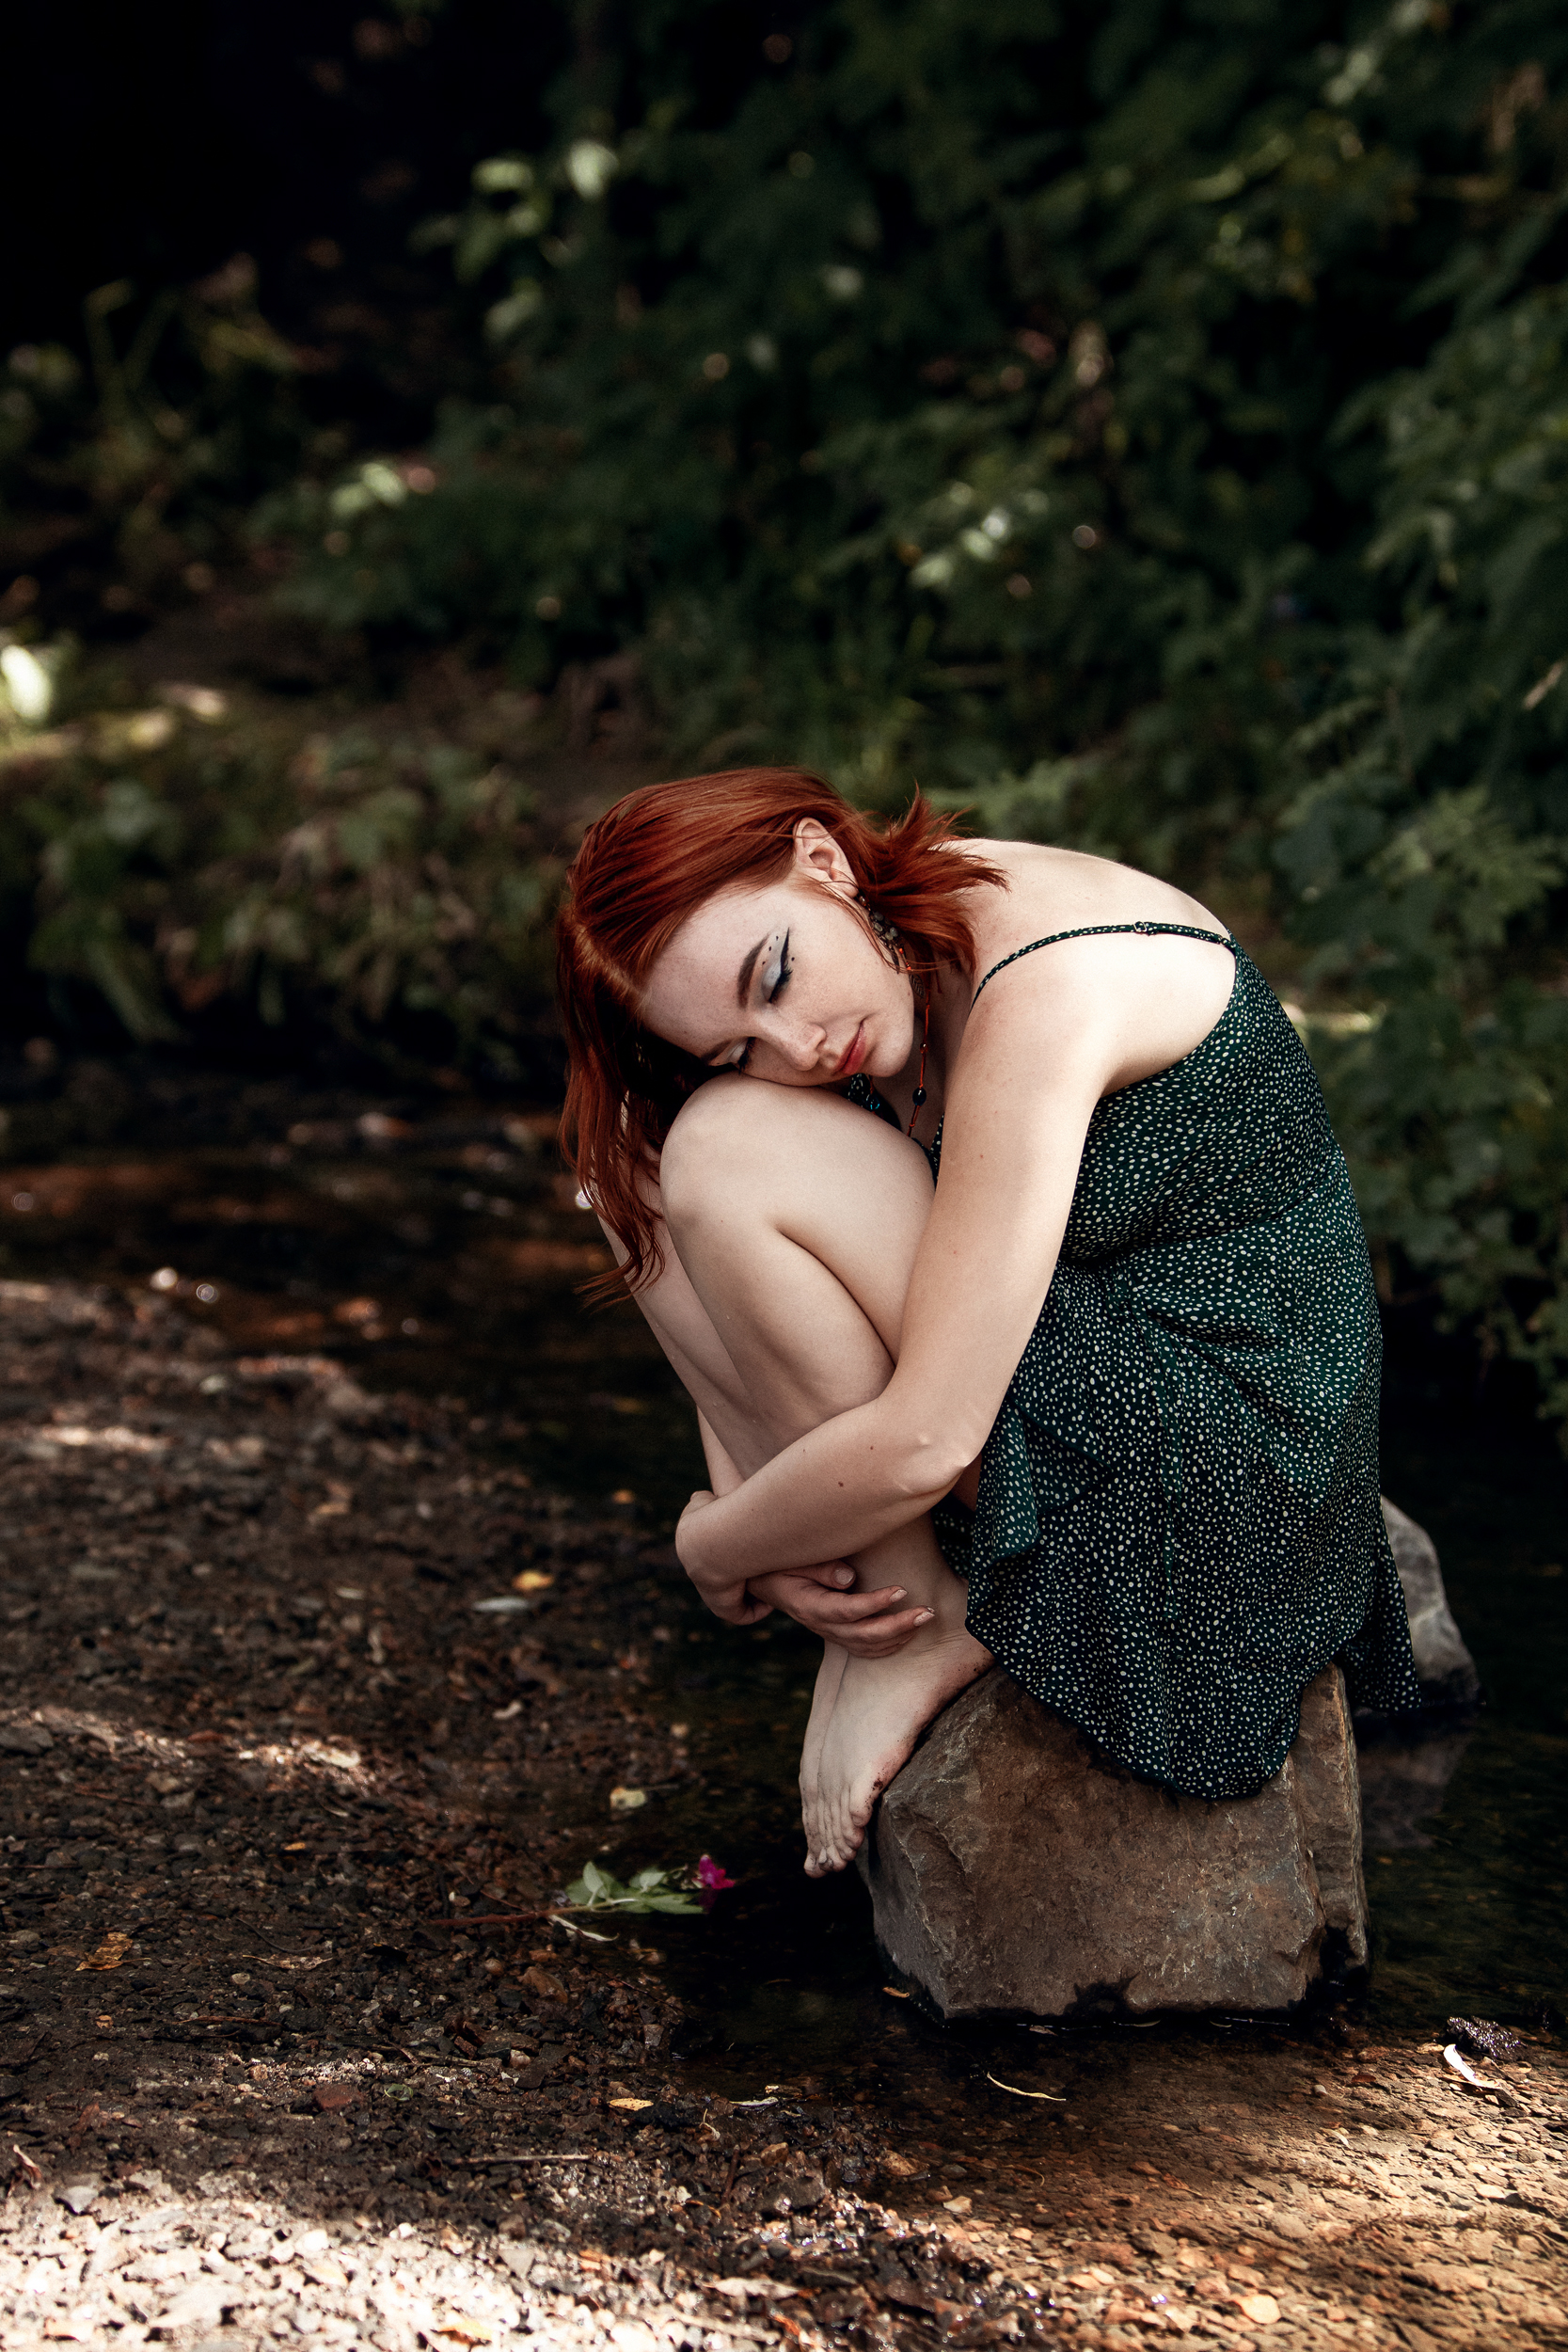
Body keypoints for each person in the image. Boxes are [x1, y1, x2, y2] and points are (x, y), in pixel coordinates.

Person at [557, 767, 1419, 1877]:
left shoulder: (1046, 982)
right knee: (633, 1154)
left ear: (822, 861)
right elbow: (719, 1272)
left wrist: (716, 1544)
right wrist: (773, 1534)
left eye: (773, 975)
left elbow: (928, 1437)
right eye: (736, 1046)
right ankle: (872, 1598)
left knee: (723, 1149)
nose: (795, 1046)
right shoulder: (879, 951)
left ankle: (910, 1627)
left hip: (1225, 1466)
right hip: (1067, 1363)